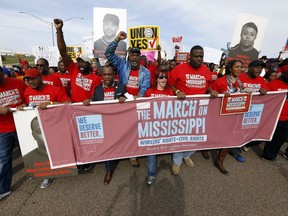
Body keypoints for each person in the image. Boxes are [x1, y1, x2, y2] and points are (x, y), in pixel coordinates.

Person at [54, 18, 102, 171]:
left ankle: (88, 159)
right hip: (73, 110)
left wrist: (91, 99)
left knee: (88, 138)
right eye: (79, 61)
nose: (80, 64)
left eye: (84, 62)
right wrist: (59, 31)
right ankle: (76, 158)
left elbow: (96, 95)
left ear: (90, 64)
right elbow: (63, 51)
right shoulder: (73, 69)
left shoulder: (96, 78)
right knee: (73, 137)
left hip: (88, 111)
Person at [168, 45, 218, 175]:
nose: (199, 59)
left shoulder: (206, 70)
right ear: (190, 57)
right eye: (196, 56)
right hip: (182, 110)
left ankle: (187, 155)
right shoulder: (179, 68)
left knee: (195, 136)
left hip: (199, 111)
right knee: (180, 136)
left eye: (201, 56)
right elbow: (170, 84)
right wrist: (177, 91)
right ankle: (177, 161)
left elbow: (208, 86)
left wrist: (211, 91)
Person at [19, 68, 71, 188]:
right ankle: (47, 174)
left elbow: (68, 103)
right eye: (27, 80)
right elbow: (28, 105)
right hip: (38, 127)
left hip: (54, 125)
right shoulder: (27, 91)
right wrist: (23, 106)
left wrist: (51, 104)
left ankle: (64, 167)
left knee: (57, 148)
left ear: (40, 77)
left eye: (33, 79)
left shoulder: (54, 90)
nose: (30, 82)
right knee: (43, 151)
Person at [105, 31, 151, 167]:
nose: (135, 57)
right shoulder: (122, 65)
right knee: (120, 129)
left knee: (135, 131)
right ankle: (118, 151)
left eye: (137, 55)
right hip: (122, 102)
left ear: (140, 58)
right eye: (132, 55)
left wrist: (140, 97)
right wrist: (117, 40)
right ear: (129, 57)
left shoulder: (146, 72)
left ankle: (133, 155)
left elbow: (145, 86)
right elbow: (108, 54)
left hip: (136, 105)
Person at [83, 65, 127, 184]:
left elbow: (130, 100)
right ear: (102, 76)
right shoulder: (97, 89)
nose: (107, 77)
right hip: (103, 124)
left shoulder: (121, 87)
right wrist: (89, 101)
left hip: (118, 123)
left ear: (114, 75)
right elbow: (93, 101)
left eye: (110, 74)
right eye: (105, 74)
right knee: (107, 146)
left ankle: (129, 156)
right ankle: (108, 170)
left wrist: (125, 98)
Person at [211, 59, 245, 174]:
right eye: (237, 67)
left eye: (241, 67)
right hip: (219, 115)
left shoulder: (241, 83)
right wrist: (218, 95)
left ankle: (219, 161)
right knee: (213, 135)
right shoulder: (220, 81)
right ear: (230, 68)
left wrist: (248, 93)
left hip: (234, 116)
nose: (240, 69)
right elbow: (209, 94)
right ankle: (205, 149)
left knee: (229, 139)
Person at [0, 66, 26, 200]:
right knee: (4, 160)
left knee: (32, 153)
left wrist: (25, 105)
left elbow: (30, 96)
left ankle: (45, 175)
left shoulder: (17, 83)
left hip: (23, 125)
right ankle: (3, 189)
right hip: (3, 130)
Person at [145, 65, 174, 184]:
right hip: (152, 126)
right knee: (151, 149)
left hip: (166, 126)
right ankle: (151, 174)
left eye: (165, 77)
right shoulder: (149, 92)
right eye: (161, 77)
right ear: (156, 79)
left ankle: (176, 165)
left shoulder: (170, 92)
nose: (164, 79)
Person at [261, 69, 288, 165]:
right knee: (266, 134)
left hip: (286, 119)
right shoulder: (273, 83)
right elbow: (264, 95)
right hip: (273, 115)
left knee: (279, 138)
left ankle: (270, 156)